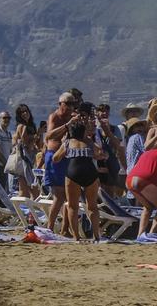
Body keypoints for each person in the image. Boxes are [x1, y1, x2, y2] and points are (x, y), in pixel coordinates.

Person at [54, 103, 103, 242]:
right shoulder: (89, 142)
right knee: (92, 206)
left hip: (73, 171)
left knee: (72, 206)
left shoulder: (68, 142)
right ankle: (96, 236)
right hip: (90, 171)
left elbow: (55, 158)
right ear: (84, 132)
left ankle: (76, 237)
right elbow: (100, 154)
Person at [42, 92, 77, 233]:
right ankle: (50, 227)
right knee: (59, 194)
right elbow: (49, 135)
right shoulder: (55, 116)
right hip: (55, 157)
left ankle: (65, 229)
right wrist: (67, 126)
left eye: (72, 104)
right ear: (60, 104)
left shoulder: (73, 117)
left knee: (69, 194)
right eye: (67, 104)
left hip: (68, 157)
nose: (70, 107)